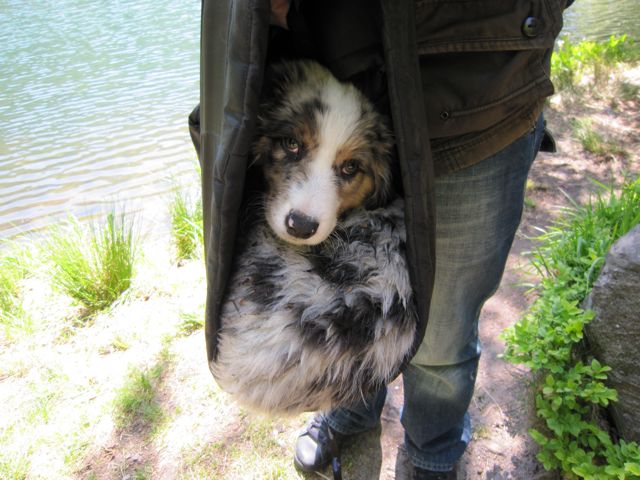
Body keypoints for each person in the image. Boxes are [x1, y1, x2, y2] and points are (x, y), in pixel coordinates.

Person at [189, 0, 572, 478]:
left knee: (443, 336)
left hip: (476, 98)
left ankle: (432, 451)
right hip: (334, 57)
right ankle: (353, 407)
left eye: (346, 169)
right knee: (355, 310)